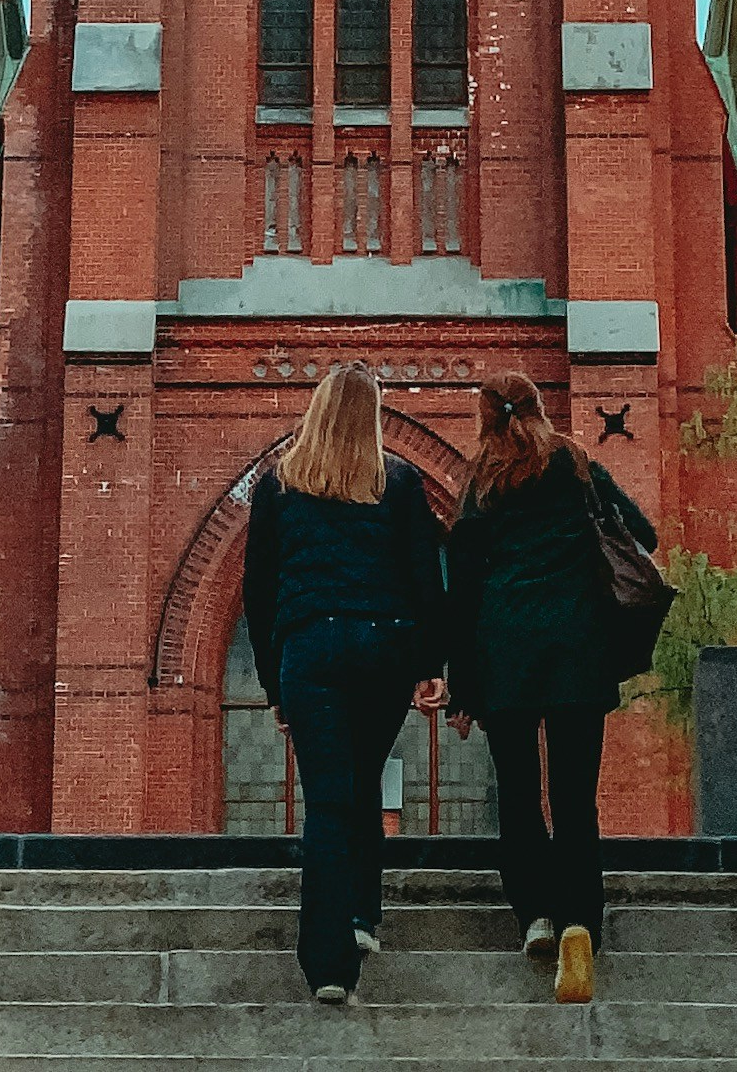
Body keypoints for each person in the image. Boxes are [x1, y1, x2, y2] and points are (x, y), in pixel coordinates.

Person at [445, 369, 658, 1006]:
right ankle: (579, 923)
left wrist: (461, 686)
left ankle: (535, 913)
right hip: (577, 653)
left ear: (486, 418)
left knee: (517, 792)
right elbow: (642, 535)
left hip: (505, 653)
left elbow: (463, 589)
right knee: (574, 798)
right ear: (539, 408)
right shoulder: (578, 465)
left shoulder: (480, 483)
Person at [240, 363, 448, 1005]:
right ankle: (362, 916)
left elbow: (258, 592)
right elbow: (425, 578)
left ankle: (330, 965)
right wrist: (430, 665)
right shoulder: (401, 483)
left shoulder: (278, 486)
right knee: (363, 781)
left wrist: (275, 686)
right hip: (384, 649)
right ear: (373, 417)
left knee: (328, 802)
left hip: (311, 648)